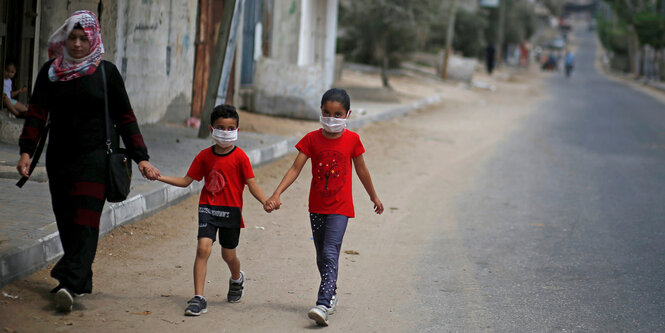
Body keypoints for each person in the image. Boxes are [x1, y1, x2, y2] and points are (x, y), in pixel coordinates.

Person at [16, 10, 160, 312]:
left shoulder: (106, 73)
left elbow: (126, 118)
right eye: (73, 38)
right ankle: (79, 276)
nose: (78, 44)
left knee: (85, 221)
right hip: (60, 159)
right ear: (65, 39)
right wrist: (26, 152)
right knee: (67, 220)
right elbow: (37, 113)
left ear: (94, 38)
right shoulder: (51, 72)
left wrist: (141, 158)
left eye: (84, 38)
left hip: (96, 158)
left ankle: (69, 281)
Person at [264, 88, 384, 327]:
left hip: (341, 208)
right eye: (327, 113)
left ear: (348, 114)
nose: (332, 118)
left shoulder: (352, 140)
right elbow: (295, 169)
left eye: (338, 114)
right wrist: (277, 193)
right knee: (321, 255)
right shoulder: (311, 139)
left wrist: (374, 197)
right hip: (316, 207)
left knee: (330, 251)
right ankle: (332, 292)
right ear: (320, 111)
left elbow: (361, 170)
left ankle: (323, 303)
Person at [156, 104, 269, 316]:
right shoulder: (204, 156)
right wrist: (159, 177)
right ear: (211, 129)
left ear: (237, 130)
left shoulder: (241, 158)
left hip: (231, 212)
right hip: (208, 208)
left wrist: (265, 201)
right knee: (203, 248)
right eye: (221, 127)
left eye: (230, 128)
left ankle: (237, 278)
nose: (225, 133)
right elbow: (186, 181)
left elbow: (251, 183)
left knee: (228, 255)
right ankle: (199, 298)